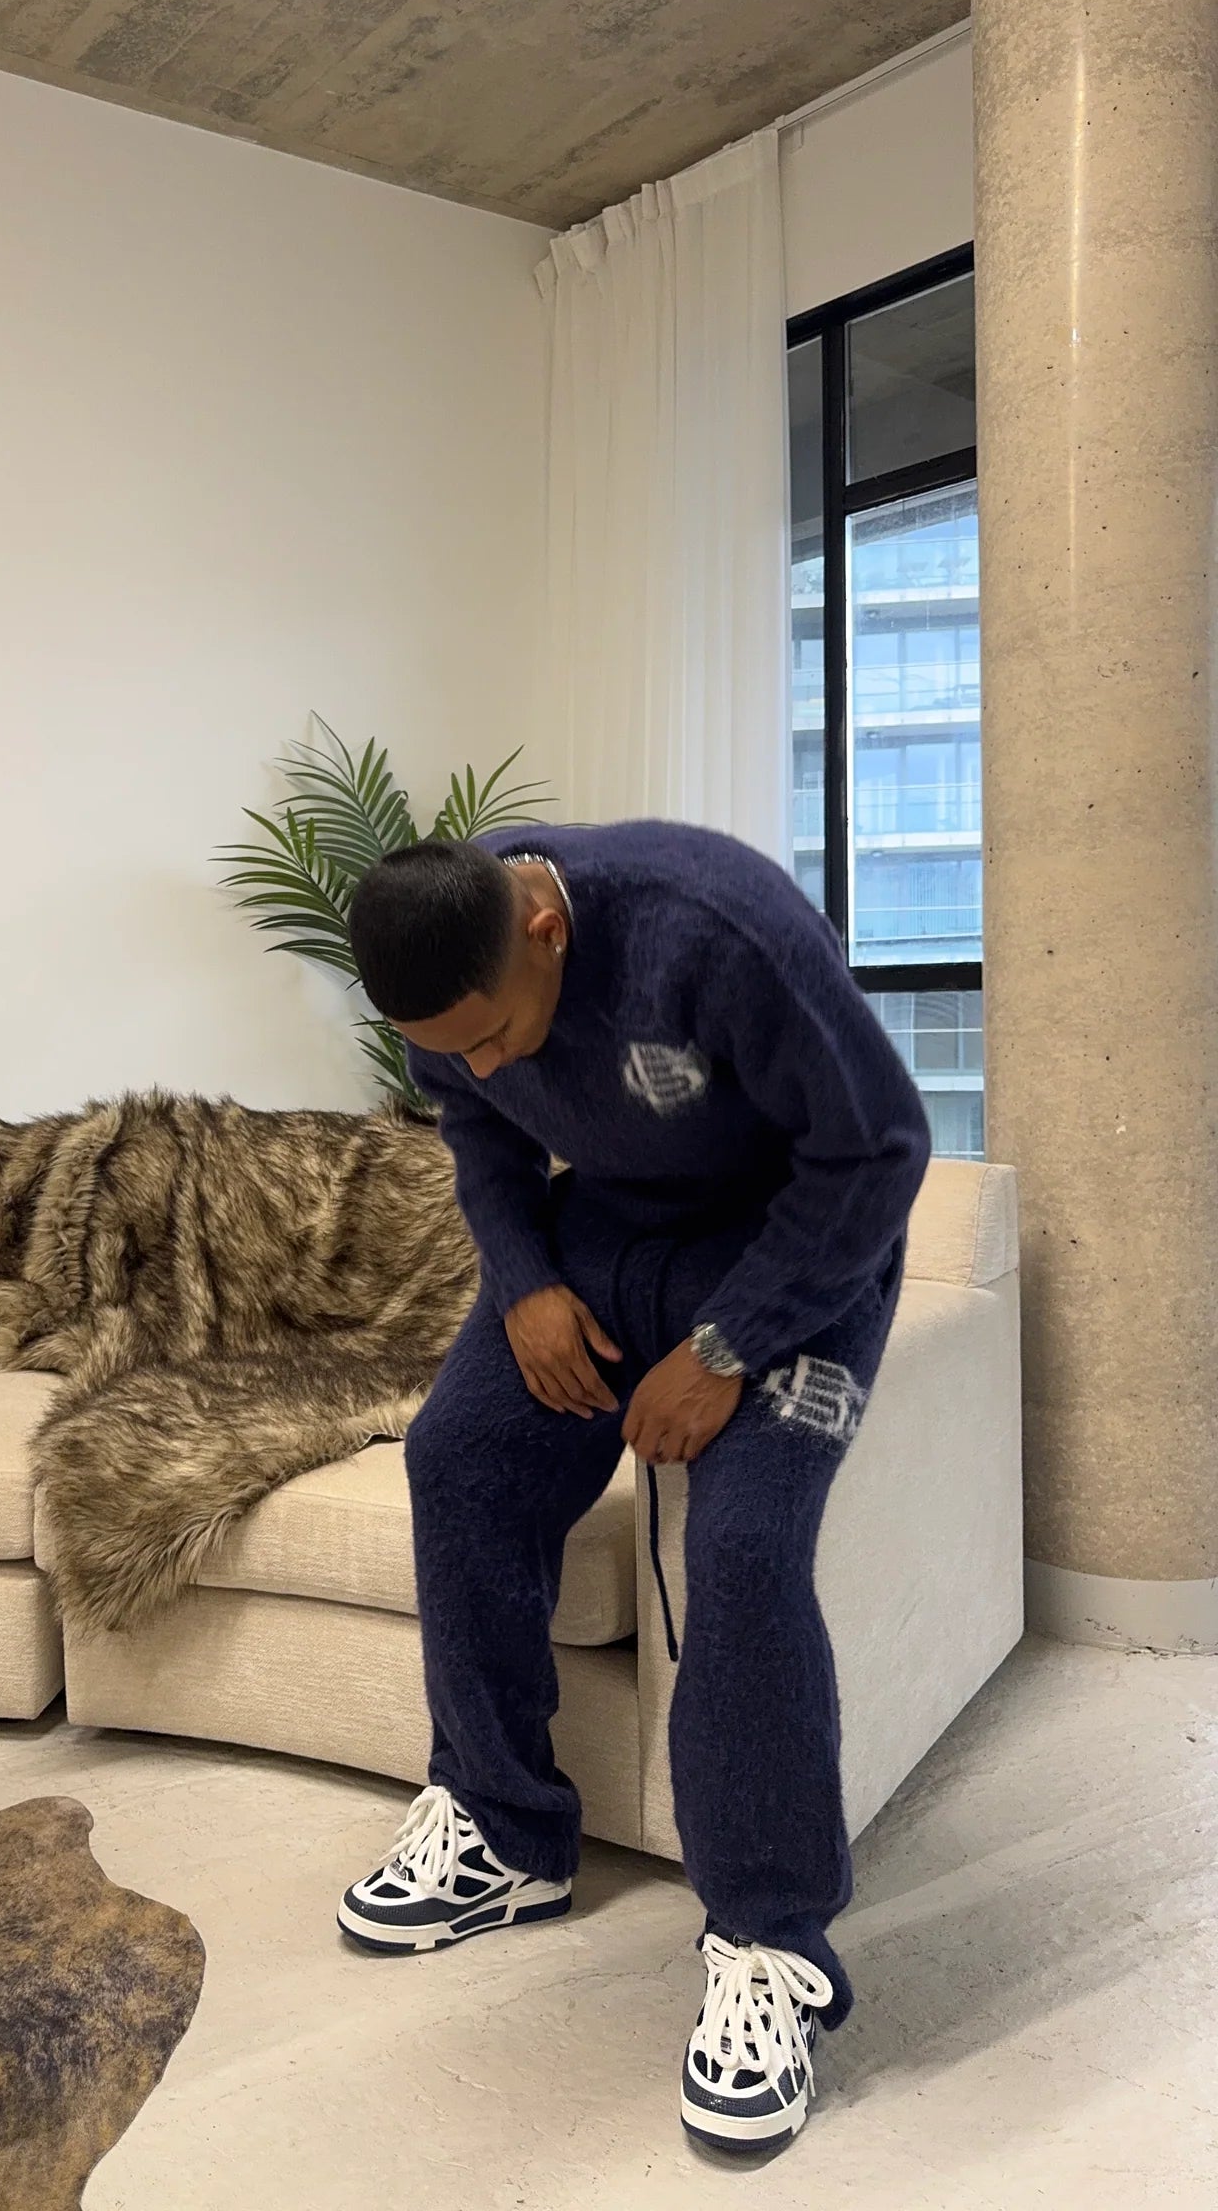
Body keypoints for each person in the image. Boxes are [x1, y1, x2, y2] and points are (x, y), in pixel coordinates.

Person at [338, 820, 930, 2153]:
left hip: (802, 1256)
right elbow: (479, 1131)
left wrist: (725, 1351)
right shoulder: (449, 973)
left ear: (543, 927)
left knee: (745, 1549)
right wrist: (524, 1281)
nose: (487, 1063)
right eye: (456, 1048)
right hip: (605, 1233)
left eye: (497, 1033)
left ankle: (772, 1943)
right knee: (458, 1459)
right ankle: (504, 1830)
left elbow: (885, 1152)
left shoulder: (716, 934)